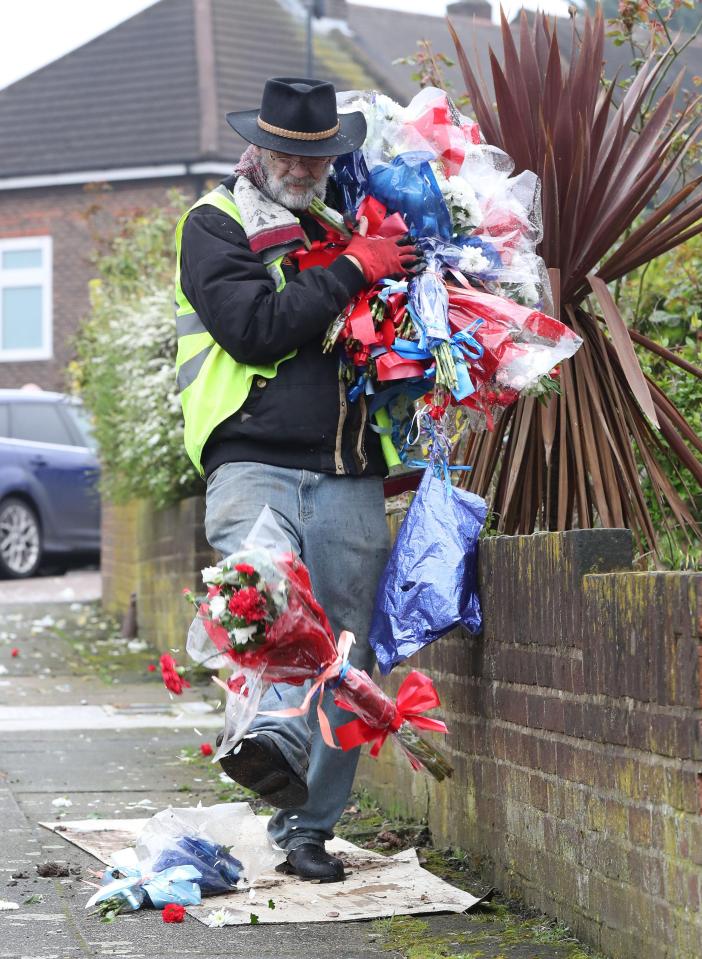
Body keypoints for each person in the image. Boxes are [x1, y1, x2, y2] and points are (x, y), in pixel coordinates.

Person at [175, 77, 421, 882]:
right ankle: (265, 742)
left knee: (342, 654)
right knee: (265, 602)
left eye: (318, 157)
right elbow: (252, 330)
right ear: (258, 148)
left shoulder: (347, 222)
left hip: (348, 468)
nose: (304, 168)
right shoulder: (215, 222)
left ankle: (307, 826)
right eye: (289, 153)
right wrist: (355, 267)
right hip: (251, 456)